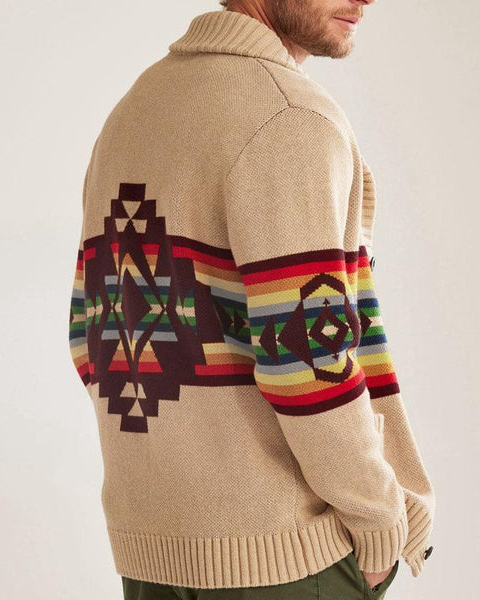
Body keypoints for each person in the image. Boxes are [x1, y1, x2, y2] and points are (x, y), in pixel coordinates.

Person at [68, 1, 436, 598]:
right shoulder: (289, 117)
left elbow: (92, 333)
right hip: (283, 557)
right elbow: (309, 364)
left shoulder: (136, 109)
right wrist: (377, 522)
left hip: (151, 551)